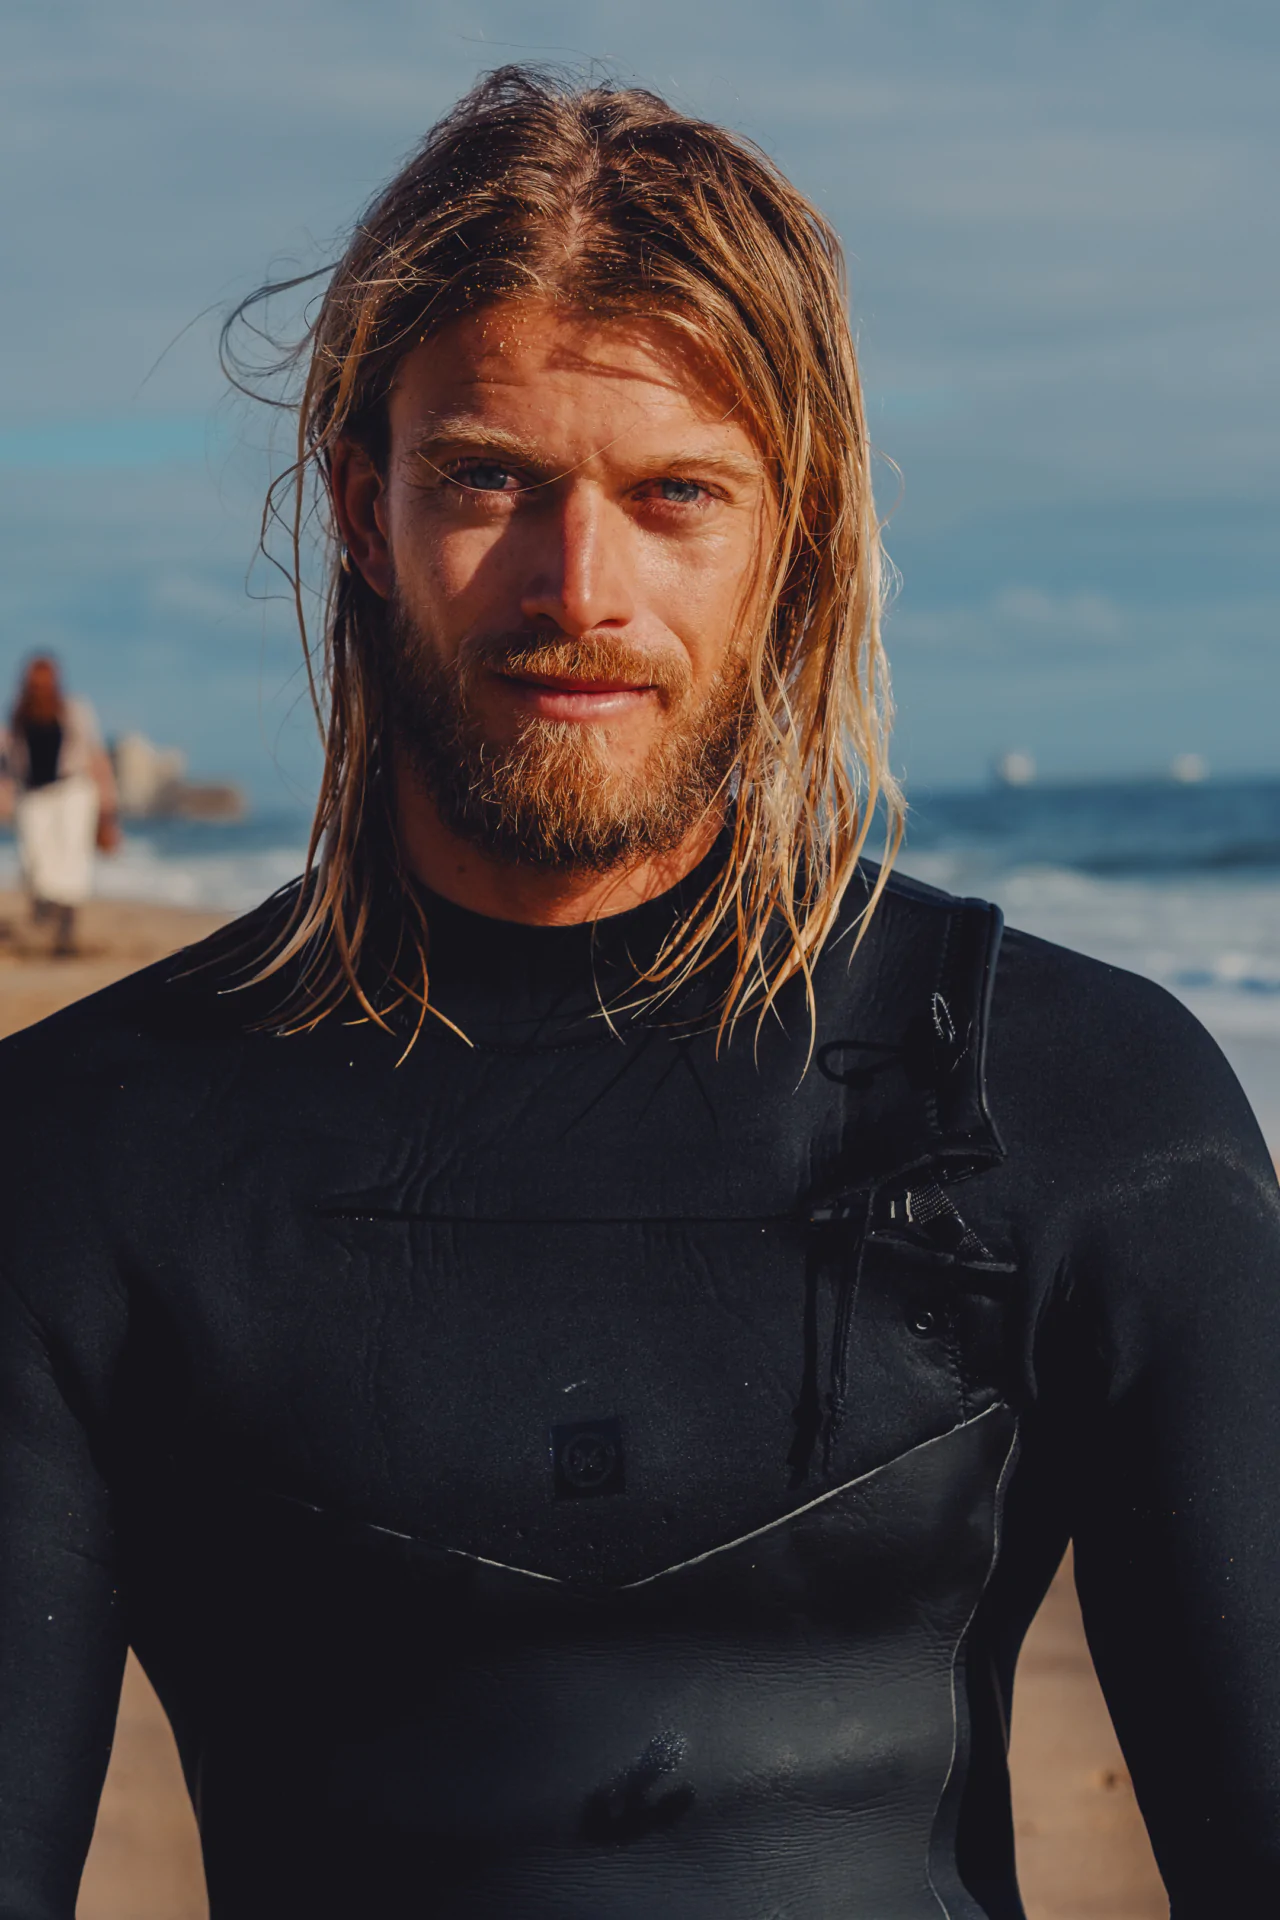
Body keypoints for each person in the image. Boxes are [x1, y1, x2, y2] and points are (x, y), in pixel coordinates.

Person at [0, 67, 1277, 1920]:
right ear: (363, 508)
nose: (576, 583)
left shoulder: (1079, 1112)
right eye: (488, 481)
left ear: (796, 542)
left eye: (674, 494)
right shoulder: (90, 1158)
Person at [0, 655, 120, 954]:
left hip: (73, 791)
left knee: (72, 859)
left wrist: (107, 809)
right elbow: (8, 763)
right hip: (32, 795)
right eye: (34, 680)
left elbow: (95, 755)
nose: (40, 686)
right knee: (35, 861)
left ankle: (66, 929)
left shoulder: (74, 709)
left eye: (45, 680)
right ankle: (44, 910)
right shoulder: (17, 714)